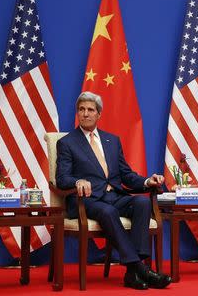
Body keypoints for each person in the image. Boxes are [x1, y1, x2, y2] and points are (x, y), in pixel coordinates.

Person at [56, 91, 171, 290]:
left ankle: (132, 273)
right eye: (81, 109)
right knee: (107, 212)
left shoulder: (112, 141)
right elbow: (61, 178)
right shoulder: (67, 142)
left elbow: (126, 175)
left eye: (90, 110)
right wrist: (78, 182)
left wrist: (147, 181)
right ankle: (140, 268)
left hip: (114, 196)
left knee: (142, 202)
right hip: (87, 200)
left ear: (99, 114)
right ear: (77, 113)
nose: (85, 114)